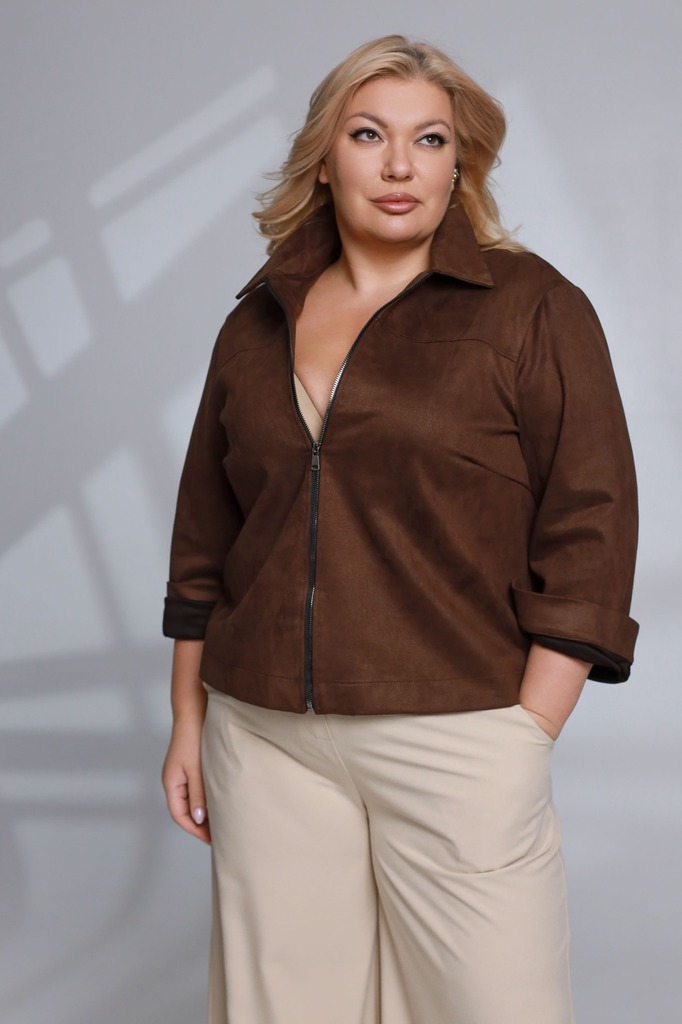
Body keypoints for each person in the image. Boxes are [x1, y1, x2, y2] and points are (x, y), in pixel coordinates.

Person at [161, 34, 638, 1024]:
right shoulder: (255, 322)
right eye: (368, 134)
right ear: (322, 157)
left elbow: (592, 520)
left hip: (456, 727)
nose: (398, 166)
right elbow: (206, 538)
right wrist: (189, 720)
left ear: (458, 163)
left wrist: (527, 729)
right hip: (266, 733)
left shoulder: (530, 307)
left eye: (429, 140)